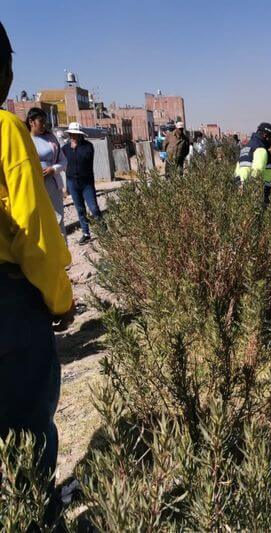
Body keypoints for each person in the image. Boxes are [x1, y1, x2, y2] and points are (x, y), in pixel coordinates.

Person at [0, 21, 74, 498]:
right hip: (8, 306)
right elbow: (34, 233)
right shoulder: (6, 132)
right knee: (27, 424)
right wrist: (60, 299)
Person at [26, 107, 67, 239]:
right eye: (41, 121)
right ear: (31, 122)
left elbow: (63, 161)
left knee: (58, 218)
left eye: (45, 122)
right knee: (38, 222)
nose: (44, 125)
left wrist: (53, 169)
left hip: (52, 185)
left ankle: (62, 253)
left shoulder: (51, 139)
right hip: (32, 186)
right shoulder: (23, 139)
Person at [62, 122, 102, 244]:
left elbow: (85, 159)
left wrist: (75, 149)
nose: (73, 136)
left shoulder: (88, 146)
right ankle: (86, 233)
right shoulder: (65, 148)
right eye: (71, 134)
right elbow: (62, 163)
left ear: (80, 135)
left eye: (75, 134)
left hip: (86, 183)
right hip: (72, 182)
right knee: (80, 209)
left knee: (94, 208)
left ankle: (104, 230)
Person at [234, 122, 271, 205]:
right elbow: (259, 173)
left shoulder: (246, 148)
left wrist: (240, 186)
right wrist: (266, 198)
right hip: (253, 196)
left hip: (239, 193)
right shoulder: (262, 150)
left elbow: (237, 171)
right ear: (266, 136)